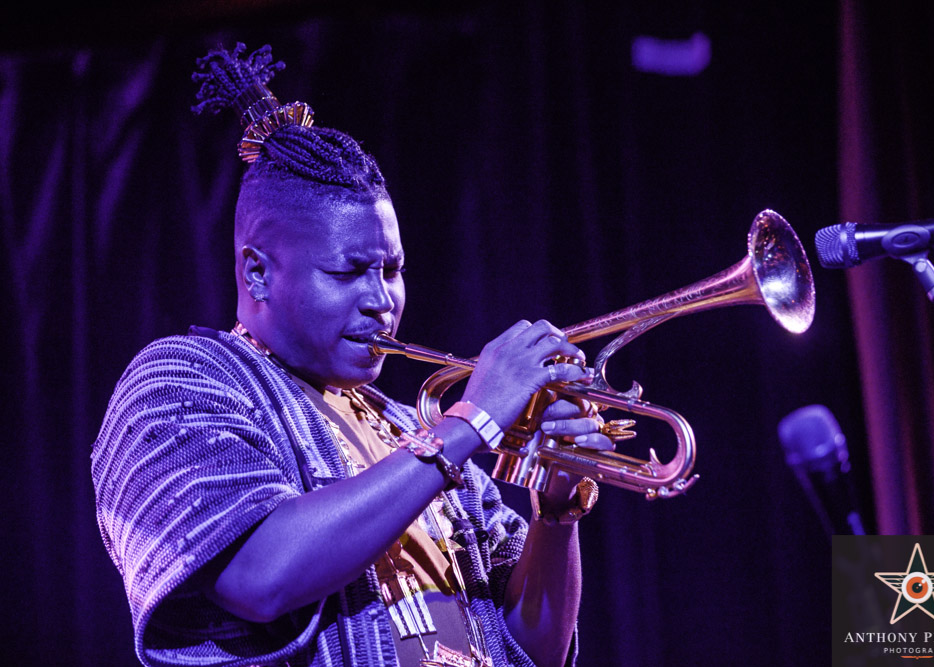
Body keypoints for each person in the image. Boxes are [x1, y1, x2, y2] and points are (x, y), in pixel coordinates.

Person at [92, 43, 609, 667]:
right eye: (349, 272)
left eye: (392, 270)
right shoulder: (179, 381)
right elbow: (261, 578)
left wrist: (555, 516)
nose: (380, 300)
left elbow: (532, 651)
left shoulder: (408, 426)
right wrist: (472, 422)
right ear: (257, 274)